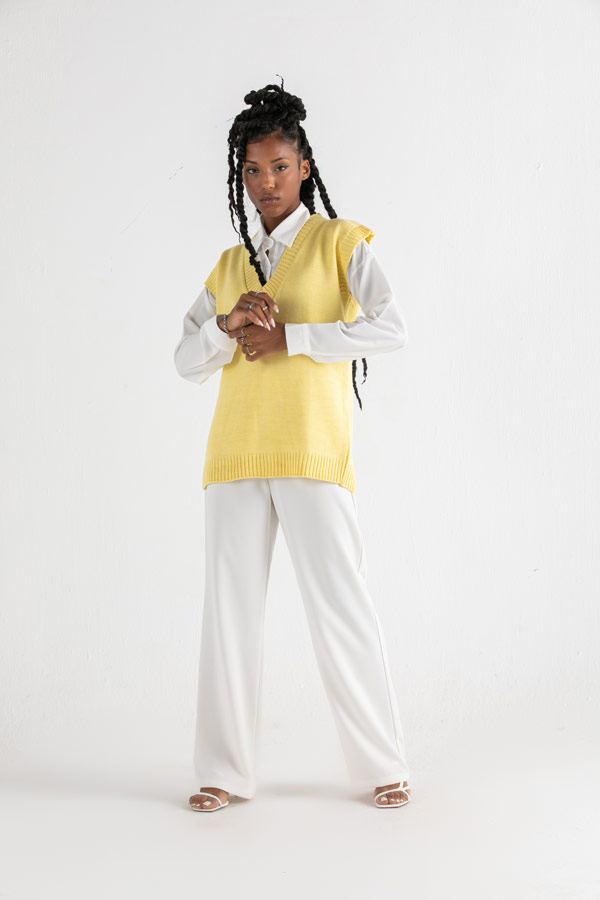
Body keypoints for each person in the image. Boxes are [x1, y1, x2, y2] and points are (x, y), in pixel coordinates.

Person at [174, 79, 412, 812]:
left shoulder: (341, 243)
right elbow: (185, 359)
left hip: (311, 451)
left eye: (280, 167)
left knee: (341, 602)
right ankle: (222, 772)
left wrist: (294, 338)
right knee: (229, 612)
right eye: (252, 170)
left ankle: (384, 765)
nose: (266, 183)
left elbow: (391, 327)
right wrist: (228, 325)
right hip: (235, 456)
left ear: (304, 167)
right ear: (240, 176)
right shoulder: (229, 266)